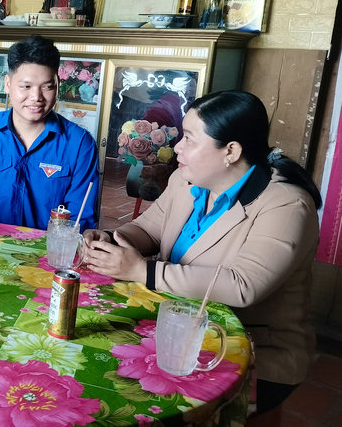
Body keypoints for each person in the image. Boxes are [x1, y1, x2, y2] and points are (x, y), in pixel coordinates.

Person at [82, 90, 322, 415]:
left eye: (190, 139)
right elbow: (149, 229)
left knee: (136, 399)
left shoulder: (287, 205)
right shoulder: (187, 181)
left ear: (231, 151)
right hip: (178, 329)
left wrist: (142, 271)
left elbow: (243, 285)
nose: (177, 147)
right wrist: (113, 240)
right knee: (93, 361)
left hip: (247, 351)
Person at [0, 36, 100, 230]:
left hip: (48, 248)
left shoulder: (80, 144)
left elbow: (80, 219)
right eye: (26, 86)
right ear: (7, 84)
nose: (36, 97)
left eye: (47, 87)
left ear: (57, 85)